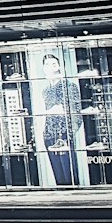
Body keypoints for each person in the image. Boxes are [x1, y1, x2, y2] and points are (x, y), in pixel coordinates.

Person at [37, 52, 81, 187]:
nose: (50, 67)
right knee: (59, 175)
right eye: (47, 65)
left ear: (59, 67)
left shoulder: (69, 86)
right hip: (49, 133)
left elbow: (76, 113)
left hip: (63, 134)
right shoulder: (45, 90)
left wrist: (68, 135)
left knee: (69, 175)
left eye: (54, 64)